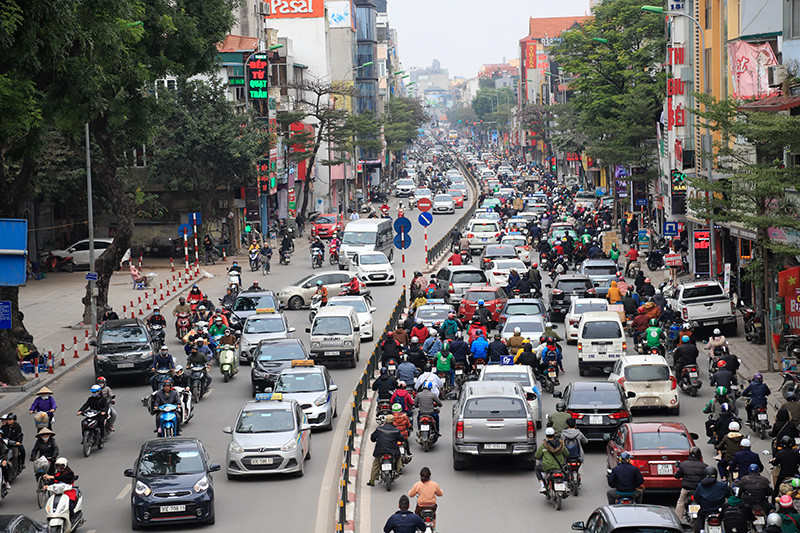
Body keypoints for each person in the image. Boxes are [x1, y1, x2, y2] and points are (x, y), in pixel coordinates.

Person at [692, 466, 731, 532]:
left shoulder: (700, 486)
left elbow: (696, 497)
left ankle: (702, 530)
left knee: (700, 515)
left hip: (705, 510)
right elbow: (729, 495)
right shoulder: (722, 485)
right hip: (719, 510)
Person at [367, 415, 403, 486]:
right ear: (393, 421)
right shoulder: (396, 430)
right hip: (393, 451)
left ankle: (372, 481)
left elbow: (372, 438)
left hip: (380, 451)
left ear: (386, 421)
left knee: (376, 464)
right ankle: (399, 468)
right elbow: (401, 438)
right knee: (398, 457)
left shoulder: (379, 429)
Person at [674, 447, 708, 519]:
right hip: (699, 489)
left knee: (681, 501)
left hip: (686, 488)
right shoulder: (705, 466)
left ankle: (678, 519)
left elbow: (677, 476)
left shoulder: (683, 465)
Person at [535, 427, 569, 493]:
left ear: (546, 435)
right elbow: (567, 454)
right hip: (560, 467)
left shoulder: (544, 446)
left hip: (547, 467)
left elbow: (537, 456)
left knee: (537, 468)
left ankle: (542, 486)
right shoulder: (561, 445)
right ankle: (565, 485)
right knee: (567, 469)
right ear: (554, 434)